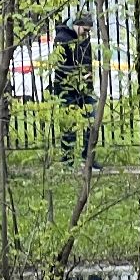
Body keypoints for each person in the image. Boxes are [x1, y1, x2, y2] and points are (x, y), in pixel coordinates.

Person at [50, 13, 100, 170]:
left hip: (84, 88)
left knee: (92, 121)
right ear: (76, 25)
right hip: (66, 89)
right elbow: (59, 67)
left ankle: (88, 158)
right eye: (85, 30)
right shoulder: (62, 39)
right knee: (69, 126)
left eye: (88, 31)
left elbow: (87, 62)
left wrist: (88, 81)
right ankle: (68, 161)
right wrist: (77, 75)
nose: (86, 34)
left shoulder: (84, 40)